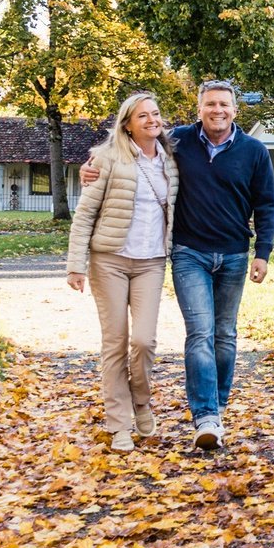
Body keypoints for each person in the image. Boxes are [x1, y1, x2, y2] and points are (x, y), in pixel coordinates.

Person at [83, 80, 274, 451]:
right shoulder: (179, 142)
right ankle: (205, 416)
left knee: (225, 337)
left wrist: (262, 253)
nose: (217, 110)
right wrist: (88, 169)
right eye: (210, 105)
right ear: (199, 108)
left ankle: (216, 408)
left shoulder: (254, 151)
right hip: (189, 253)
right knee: (200, 334)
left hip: (235, 254)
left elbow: (266, 204)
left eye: (224, 104)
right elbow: (130, 149)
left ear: (235, 110)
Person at [66, 92, 180, 452]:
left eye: (156, 113)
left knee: (144, 341)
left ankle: (142, 402)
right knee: (115, 343)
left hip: (151, 262)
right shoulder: (107, 158)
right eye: (142, 116)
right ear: (127, 124)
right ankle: (119, 424)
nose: (151, 120)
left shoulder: (172, 161)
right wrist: (75, 265)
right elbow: (85, 213)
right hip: (110, 260)